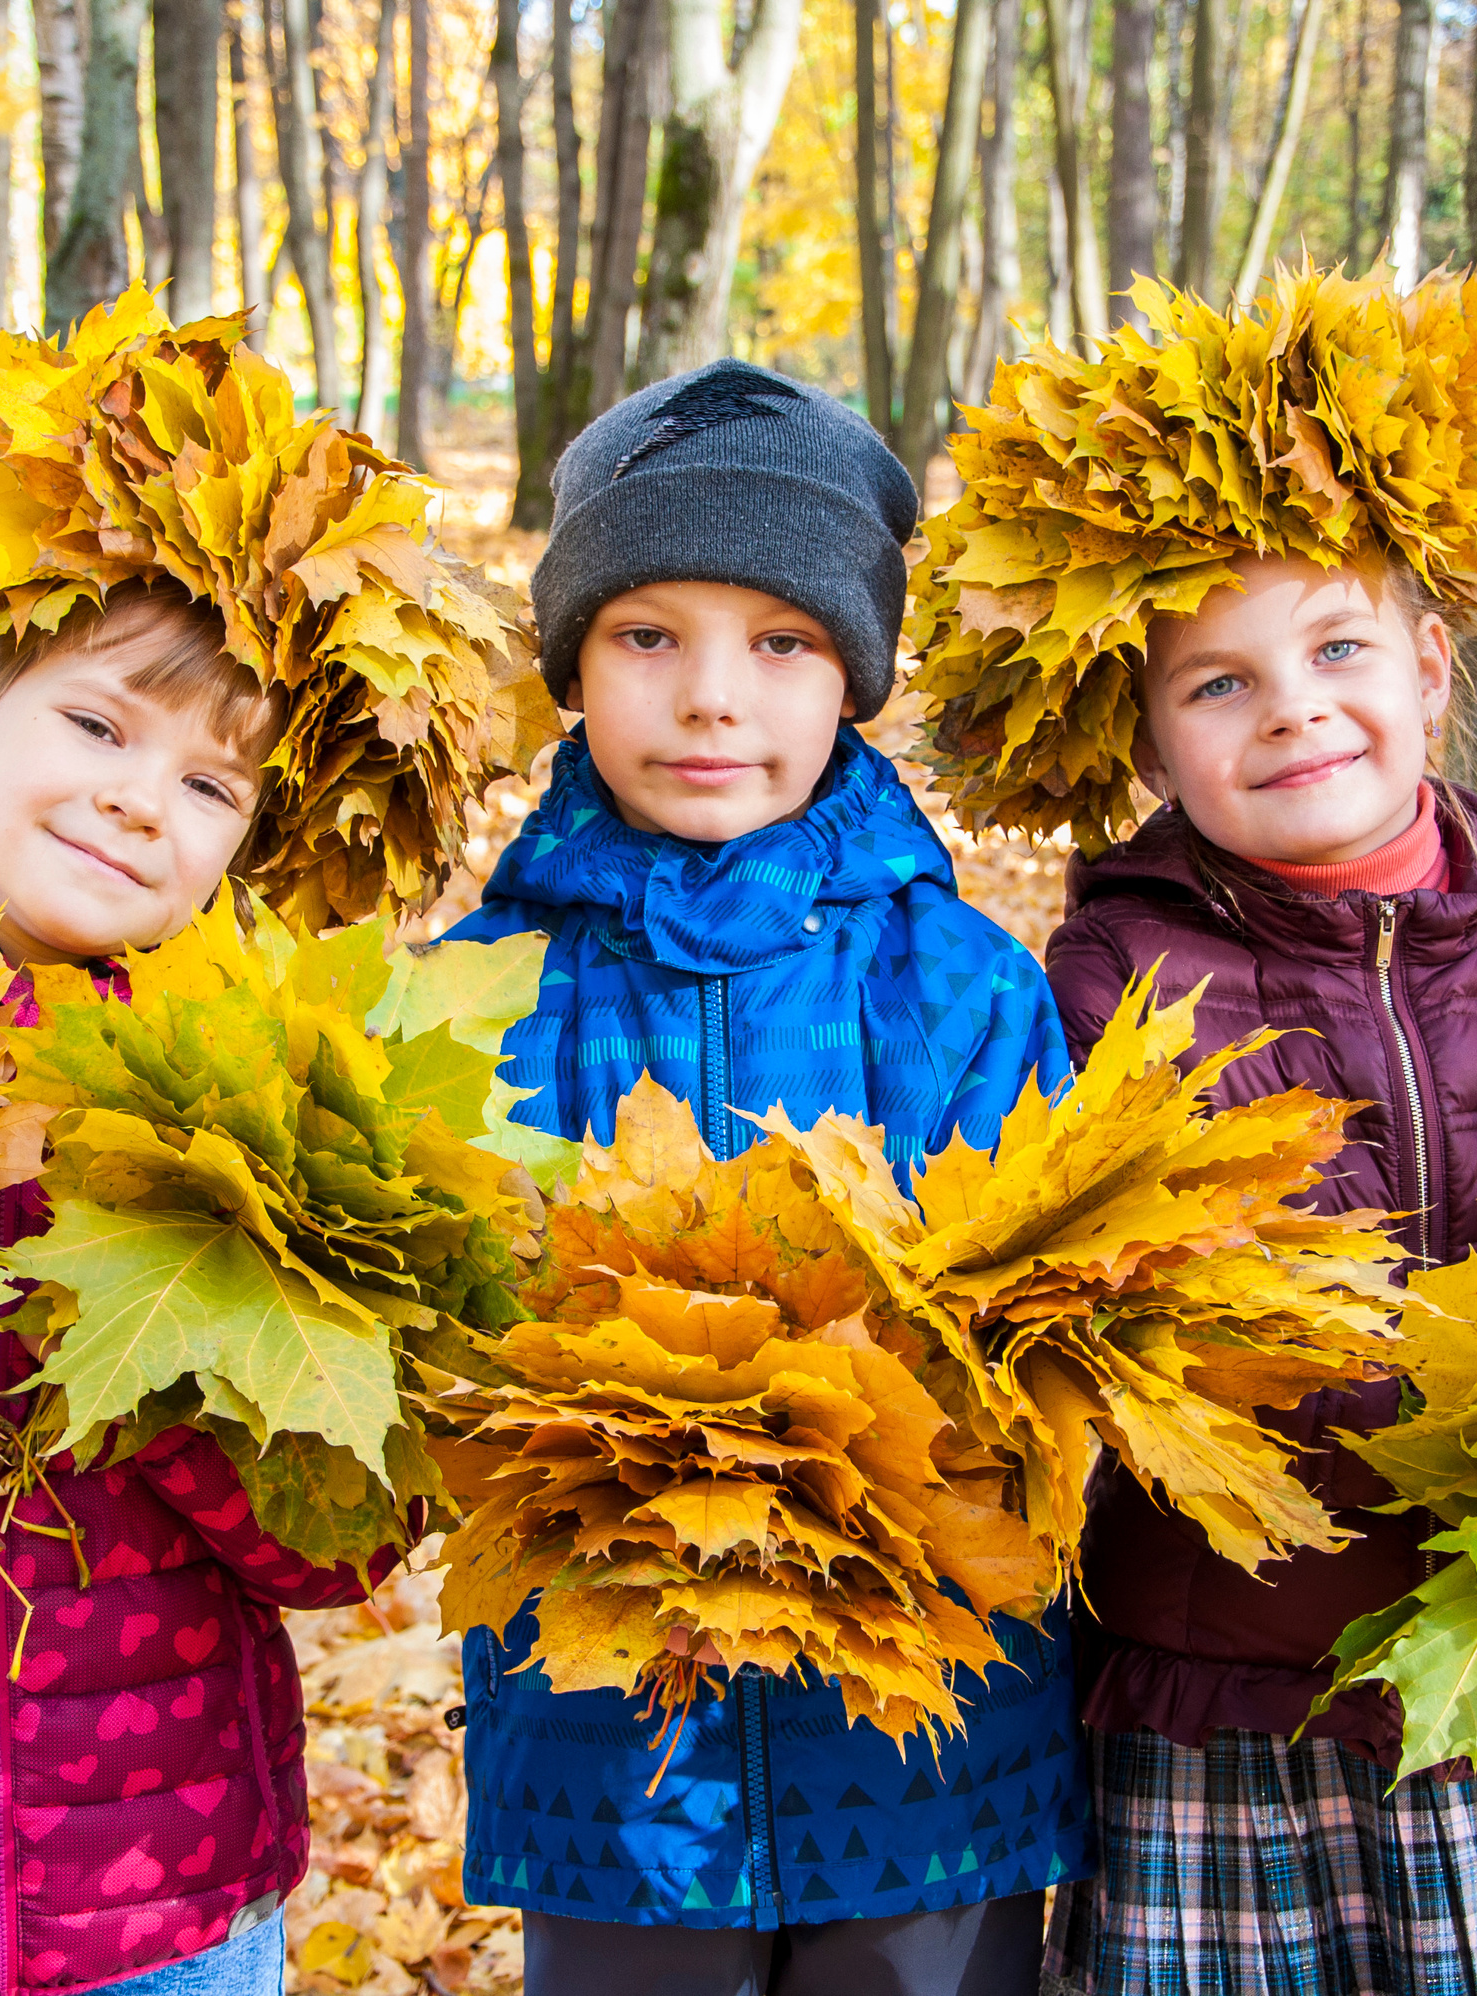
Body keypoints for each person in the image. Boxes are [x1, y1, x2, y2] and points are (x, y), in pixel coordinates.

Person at [0, 303, 529, 1996]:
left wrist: (135, 1326)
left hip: (159, 1893)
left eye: (215, 787)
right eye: (97, 728)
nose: (147, 800)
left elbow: (342, 1540)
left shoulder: (261, 1082)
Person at [906, 270, 1477, 1995]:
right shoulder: (1114, 974)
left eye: (1339, 649)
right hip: (1224, 1697)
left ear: (1428, 665)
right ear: (1144, 738)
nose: (1293, 710)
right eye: (1219, 683)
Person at [443, 358, 1091, 1995]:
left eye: (781, 643)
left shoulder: (963, 989)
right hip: (615, 1735)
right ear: (575, 663)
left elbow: (1060, 1339)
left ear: (852, 677)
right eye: (648, 635)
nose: (713, 697)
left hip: (931, 1727)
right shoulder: (476, 996)